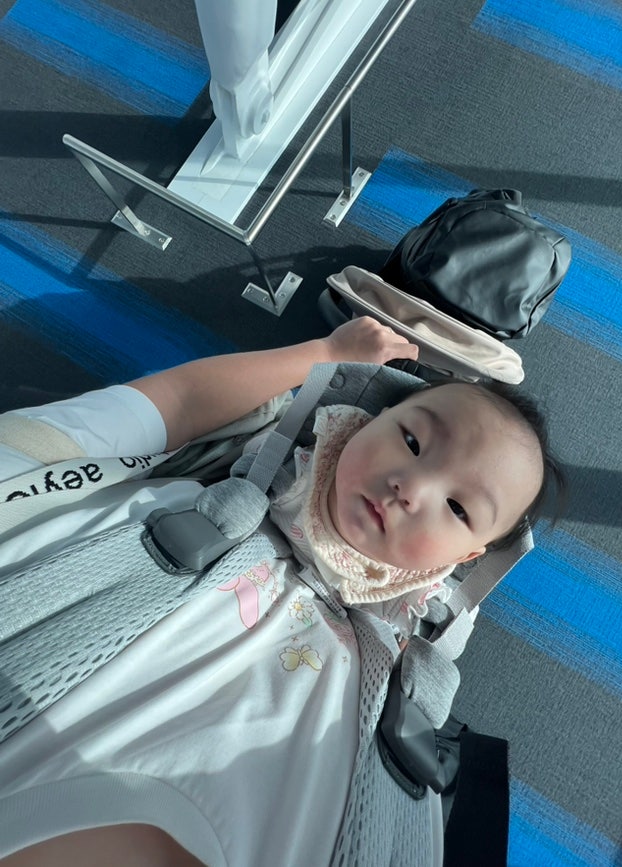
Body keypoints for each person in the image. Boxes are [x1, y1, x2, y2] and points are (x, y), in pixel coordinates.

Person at [0, 317, 558, 867]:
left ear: (465, 560)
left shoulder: (411, 642)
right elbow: (183, 399)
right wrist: (327, 353)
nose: (410, 487)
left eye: (457, 508)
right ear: (368, 419)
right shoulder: (246, 460)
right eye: (411, 441)